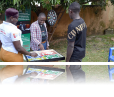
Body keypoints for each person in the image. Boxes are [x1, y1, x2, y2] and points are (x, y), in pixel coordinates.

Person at [66, 2, 87, 85]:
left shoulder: (72, 26)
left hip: (74, 56)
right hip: (81, 53)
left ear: (71, 11)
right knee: (79, 76)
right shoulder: (83, 22)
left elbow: (71, 45)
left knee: (75, 78)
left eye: (68, 12)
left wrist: (67, 60)